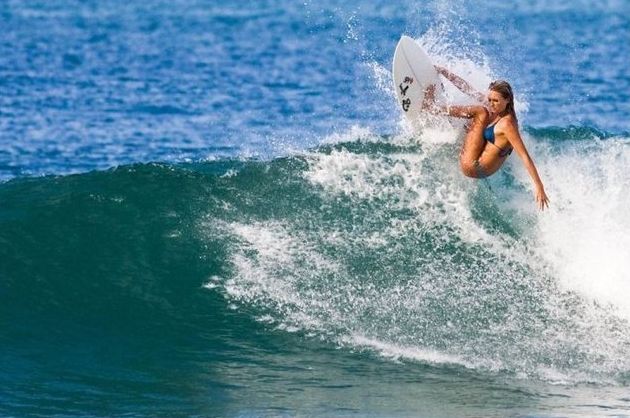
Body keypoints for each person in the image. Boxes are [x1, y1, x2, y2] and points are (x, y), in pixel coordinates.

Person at [422, 67, 549, 210]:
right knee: (474, 121)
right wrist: (445, 72)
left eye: (496, 101)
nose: (491, 103)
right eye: (490, 99)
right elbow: (468, 90)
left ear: (507, 100)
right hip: (481, 167)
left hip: (474, 167)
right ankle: (445, 124)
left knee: (480, 112)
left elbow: (524, 156)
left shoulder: (508, 125)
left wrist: (539, 186)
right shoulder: (498, 110)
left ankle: (431, 108)